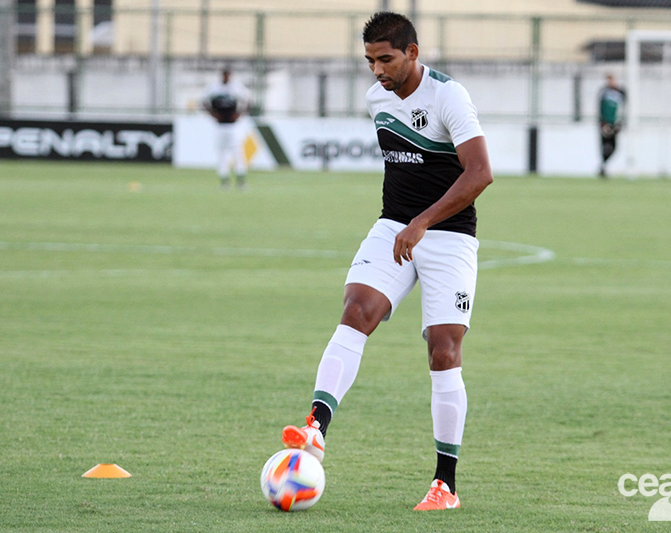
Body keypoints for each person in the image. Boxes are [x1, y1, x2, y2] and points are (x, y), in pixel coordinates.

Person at [280, 11, 493, 511]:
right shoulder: (377, 98)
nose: (377, 70)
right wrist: (406, 223)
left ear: (412, 53)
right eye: (369, 61)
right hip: (393, 227)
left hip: (449, 236)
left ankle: (445, 485)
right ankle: (315, 427)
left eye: (386, 59)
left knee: (443, 350)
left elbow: (480, 172)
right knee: (357, 309)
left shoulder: (449, 96)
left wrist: (423, 222)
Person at [201, 68, 252, 190]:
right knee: (221, 153)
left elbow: (249, 100)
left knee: (238, 153)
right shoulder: (213, 88)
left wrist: (240, 114)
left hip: (233, 126)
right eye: (224, 75)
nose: (226, 77)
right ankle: (224, 181)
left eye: (228, 75)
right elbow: (203, 101)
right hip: (219, 126)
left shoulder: (237, 87)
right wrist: (212, 114)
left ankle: (240, 180)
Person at [598, 73, 626, 178]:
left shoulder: (621, 92)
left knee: (614, 147)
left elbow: (624, 107)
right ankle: (603, 167)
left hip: (615, 122)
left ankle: (604, 165)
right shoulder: (604, 92)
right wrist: (602, 122)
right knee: (605, 145)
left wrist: (621, 122)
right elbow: (600, 107)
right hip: (605, 123)